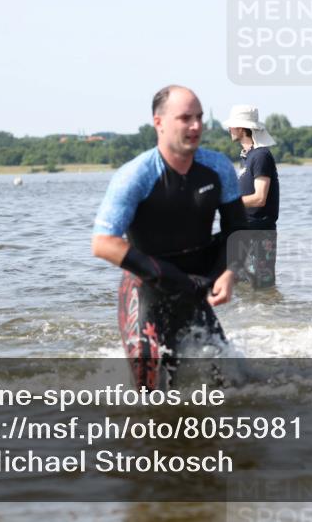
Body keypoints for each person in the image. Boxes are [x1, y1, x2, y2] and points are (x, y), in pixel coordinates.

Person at [92, 86, 248, 389]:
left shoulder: (217, 168)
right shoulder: (135, 175)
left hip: (194, 287)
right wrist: (168, 276)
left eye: (200, 118)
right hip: (148, 285)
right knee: (148, 384)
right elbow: (102, 243)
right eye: (185, 118)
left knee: (228, 384)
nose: (196, 126)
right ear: (159, 122)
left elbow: (238, 230)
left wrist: (229, 274)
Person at [224, 104, 280, 289]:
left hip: (259, 233)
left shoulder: (261, 156)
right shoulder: (247, 156)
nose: (229, 129)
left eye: (231, 126)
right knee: (240, 287)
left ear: (241, 128)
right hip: (244, 232)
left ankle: (270, 315)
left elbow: (259, 198)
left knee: (261, 288)